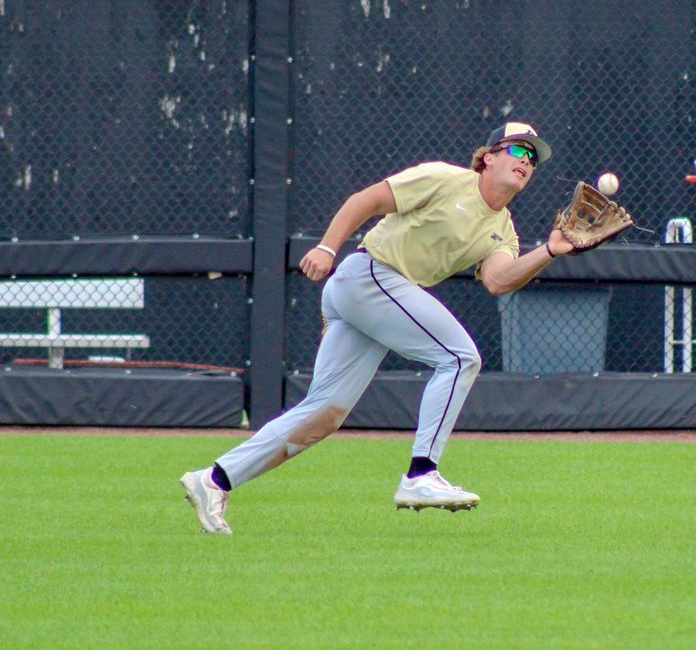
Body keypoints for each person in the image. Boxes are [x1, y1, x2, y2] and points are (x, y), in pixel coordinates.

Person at [181, 122, 581, 535]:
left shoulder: (504, 228)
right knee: (461, 358)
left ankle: (213, 481)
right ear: (489, 156)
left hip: (374, 299)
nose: (526, 162)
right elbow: (367, 200)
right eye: (518, 151)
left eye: (533, 158)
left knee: (322, 414)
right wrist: (326, 246)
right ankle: (421, 473)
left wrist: (550, 250)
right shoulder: (444, 178)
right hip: (369, 275)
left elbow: (499, 280)